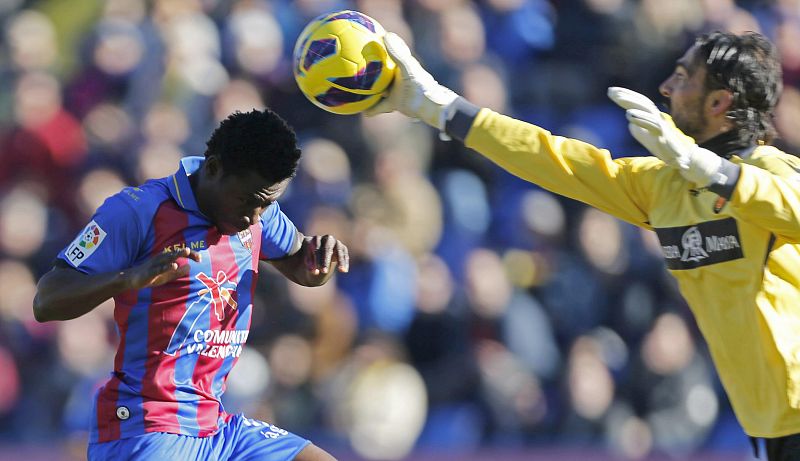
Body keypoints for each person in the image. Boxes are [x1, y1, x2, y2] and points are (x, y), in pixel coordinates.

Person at [368, 30, 800, 460]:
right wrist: (440, 108)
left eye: (684, 78)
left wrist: (708, 169)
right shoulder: (664, 186)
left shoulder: (771, 171)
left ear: (718, 103)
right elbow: (551, 157)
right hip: (767, 422)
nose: (666, 88)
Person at [33, 109, 346, 461]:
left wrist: (319, 264)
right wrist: (129, 279)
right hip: (145, 424)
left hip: (215, 426)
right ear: (212, 169)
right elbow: (46, 300)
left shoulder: (257, 209)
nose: (254, 218)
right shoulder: (136, 211)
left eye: (267, 203)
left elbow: (300, 266)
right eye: (247, 201)